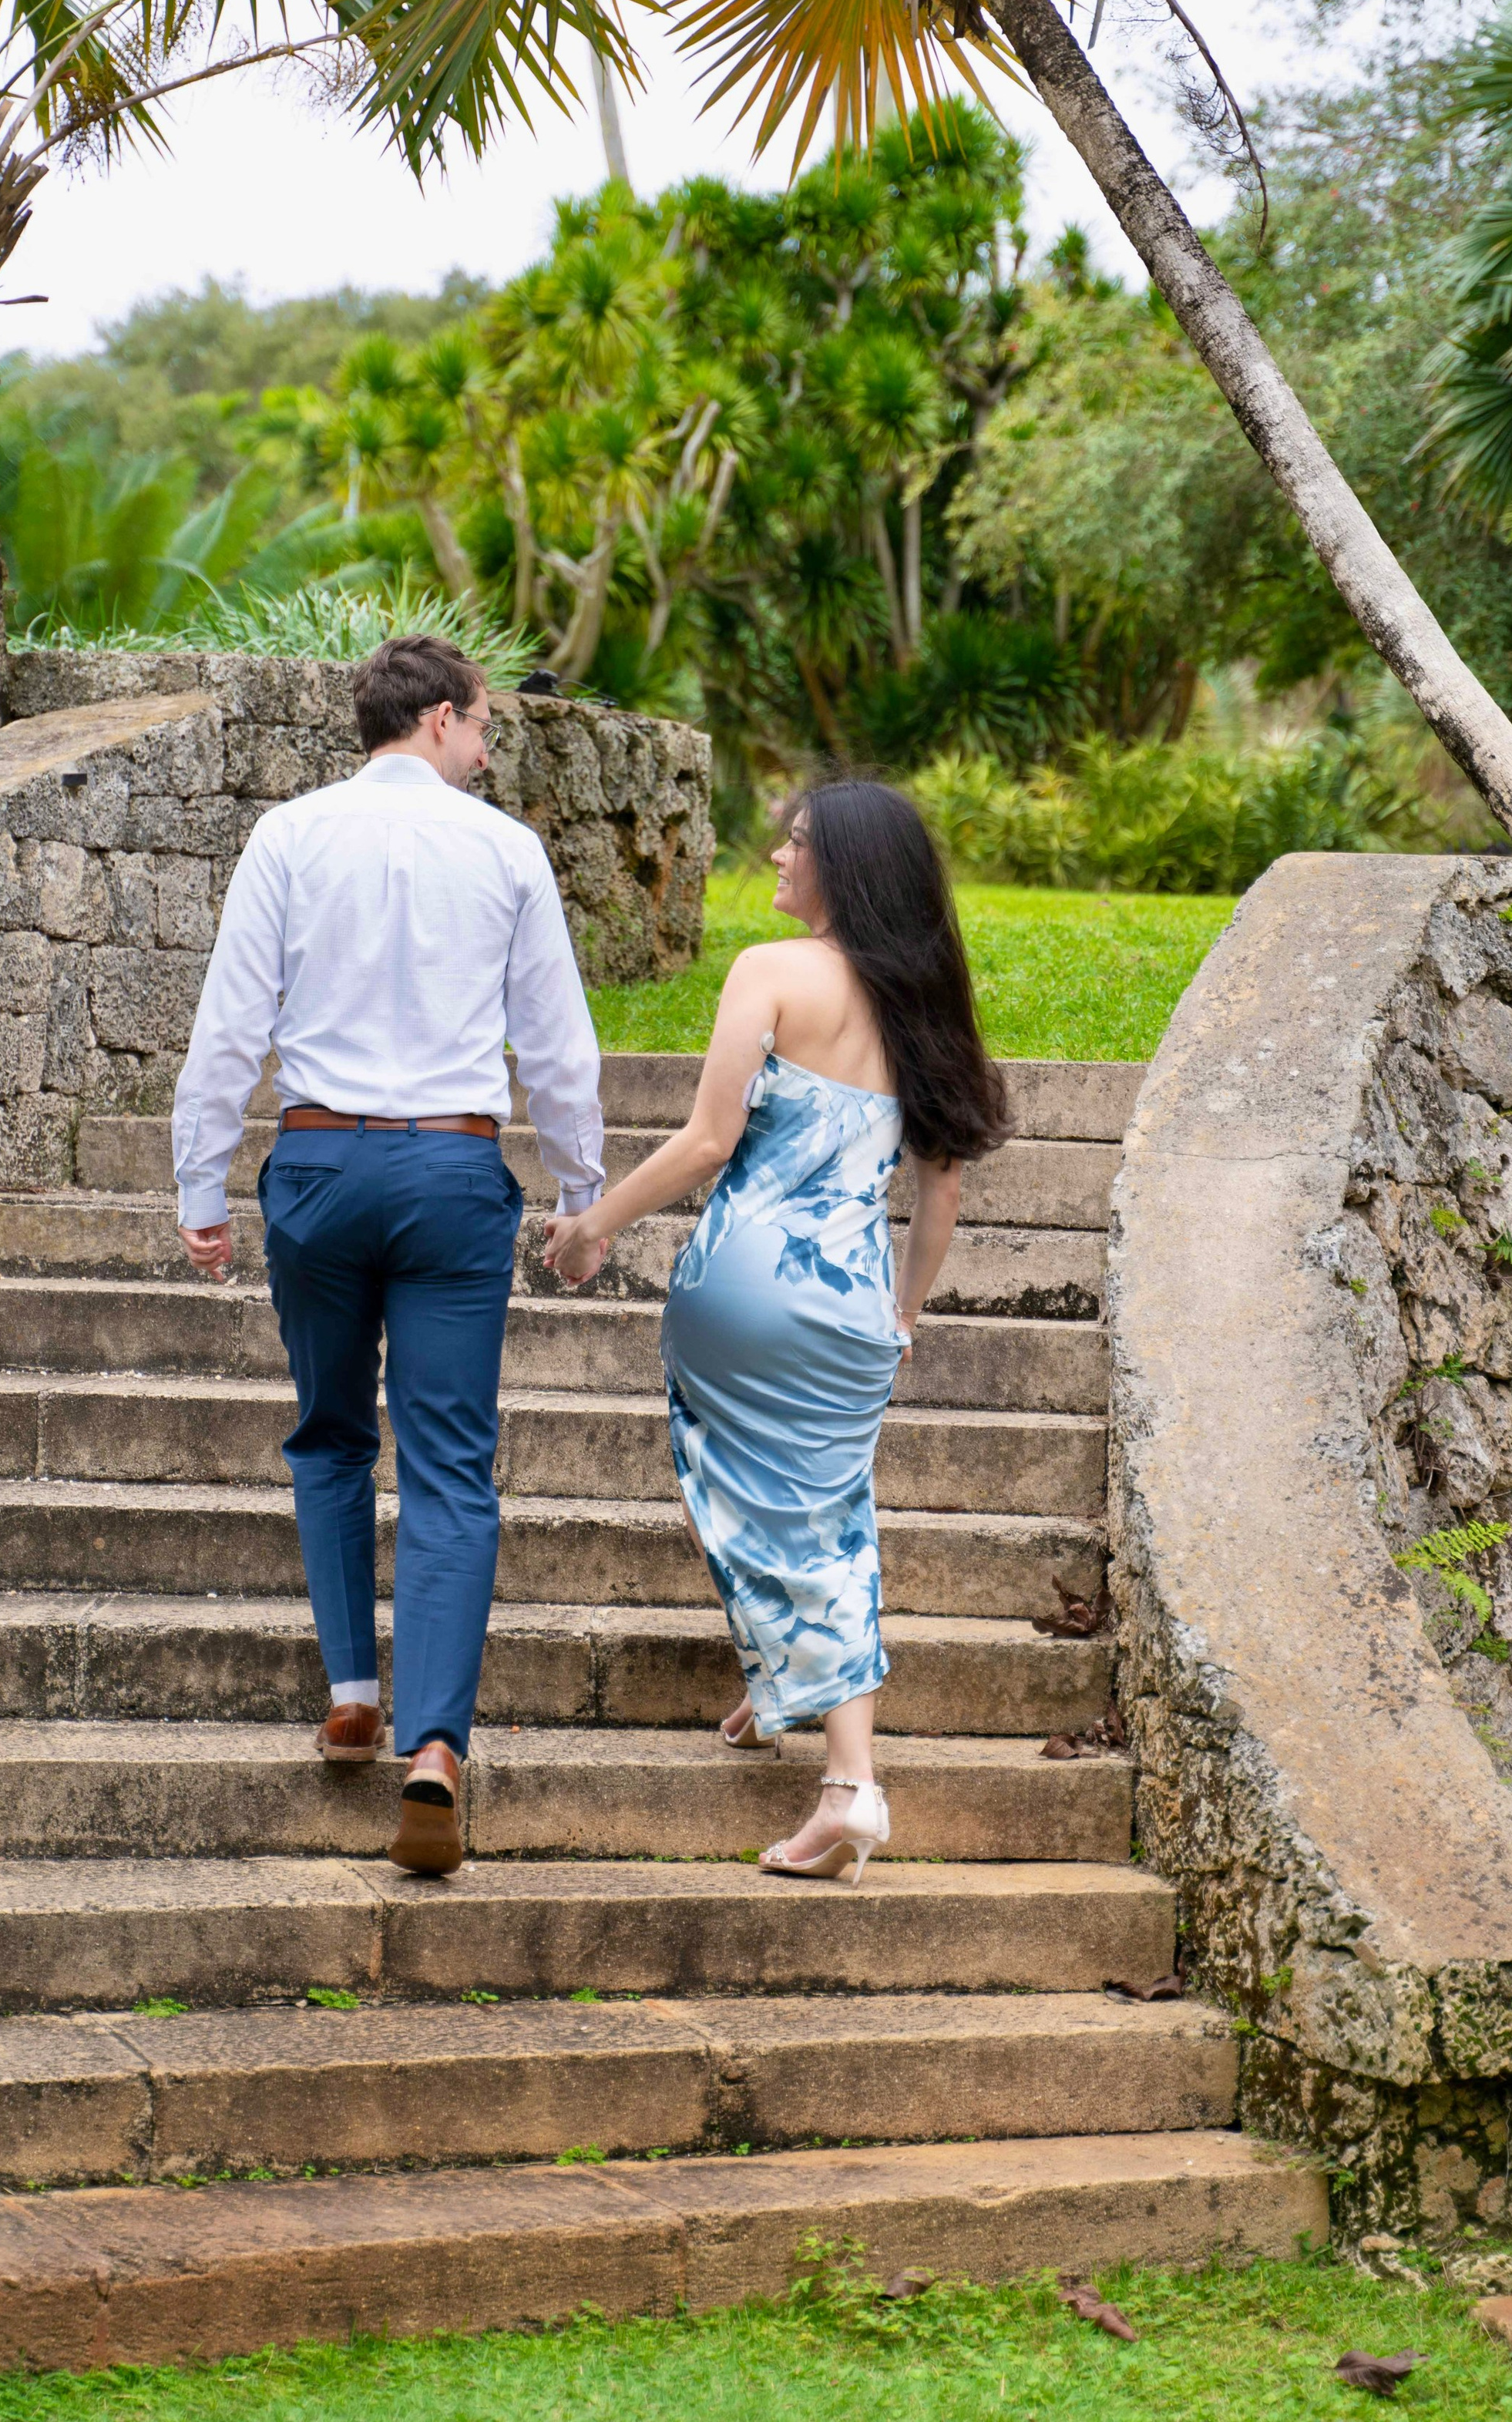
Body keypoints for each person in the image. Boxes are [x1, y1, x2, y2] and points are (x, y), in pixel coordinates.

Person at [172, 634, 606, 1876]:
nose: (485, 748)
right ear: (437, 719)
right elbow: (557, 1046)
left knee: (328, 1432)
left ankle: (353, 1690)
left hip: (316, 1166)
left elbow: (229, 1022)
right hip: (451, 1173)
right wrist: (581, 1194)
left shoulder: (287, 837)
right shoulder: (507, 849)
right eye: (480, 727)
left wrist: (202, 1182)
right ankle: (435, 1751)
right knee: (454, 1461)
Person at [544, 779, 1008, 1883]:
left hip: (741, 1286)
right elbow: (938, 1198)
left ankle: (850, 1785)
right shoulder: (928, 1004)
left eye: (796, 843)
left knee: (760, 1497)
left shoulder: (769, 972)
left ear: (844, 865)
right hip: (849, 1304)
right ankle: (780, 1689)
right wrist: (901, 1310)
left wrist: (592, 1224)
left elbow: (710, 1141)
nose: (775, 856)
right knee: (823, 1509)